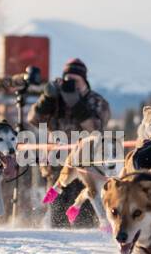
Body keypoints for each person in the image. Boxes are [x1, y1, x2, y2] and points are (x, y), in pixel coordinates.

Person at [29, 58, 112, 226]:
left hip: (87, 167)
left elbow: (95, 128)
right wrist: (47, 98)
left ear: (85, 81)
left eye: (76, 81)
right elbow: (34, 119)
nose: (71, 84)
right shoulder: (56, 100)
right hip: (56, 166)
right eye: (68, 80)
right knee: (57, 219)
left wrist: (76, 103)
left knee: (84, 221)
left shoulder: (96, 101)